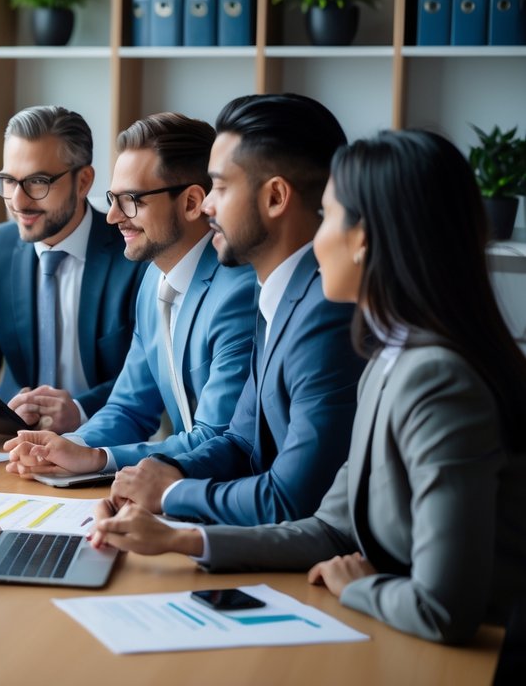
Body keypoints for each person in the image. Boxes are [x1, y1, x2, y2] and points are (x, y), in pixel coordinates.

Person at [89, 129, 526, 644]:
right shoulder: (391, 356)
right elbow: (329, 528)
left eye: (329, 216)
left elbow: (441, 609)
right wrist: (177, 539)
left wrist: (358, 586)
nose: (315, 239)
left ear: (362, 241)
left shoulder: (437, 379)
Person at [104, 94, 366, 525]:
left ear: (276, 197)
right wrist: (157, 476)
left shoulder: (326, 313)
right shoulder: (275, 297)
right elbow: (241, 442)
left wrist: (170, 494)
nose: (207, 206)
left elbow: (292, 498)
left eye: (221, 188)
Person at [1, 112, 256, 470]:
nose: (112, 216)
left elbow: (215, 438)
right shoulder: (153, 279)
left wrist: (97, 458)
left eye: (132, 200)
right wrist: (60, 447)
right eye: (113, 198)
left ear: (191, 202)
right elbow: (129, 409)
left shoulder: (238, 294)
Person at [0, 106, 144, 434]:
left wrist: (79, 410)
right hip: (11, 440)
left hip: (104, 442)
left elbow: (146, 377)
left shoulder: (131, 253)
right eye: (8, 181)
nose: (17, 201)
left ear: (83, 181)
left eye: (37, 181)